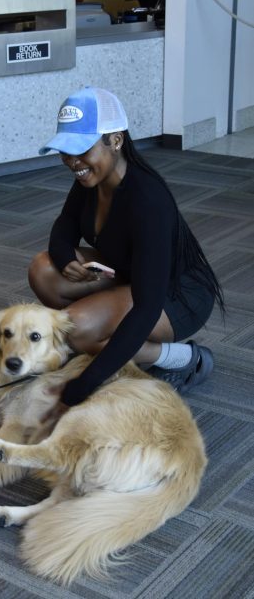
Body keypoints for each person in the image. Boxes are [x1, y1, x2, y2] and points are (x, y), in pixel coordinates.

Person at [29, 87, 224, 410]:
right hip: (131, 274)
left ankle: (185, 358)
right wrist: (66, 260)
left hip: (177, 295)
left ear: (115, 140)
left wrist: (85, 384)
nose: (71, 161)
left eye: (81, 149)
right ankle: (103, 335)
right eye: (65, 150)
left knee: (75, 329)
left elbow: (147, 308)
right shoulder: (90, 180)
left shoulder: (148, 201)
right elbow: (65, 226)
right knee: (43, 269)